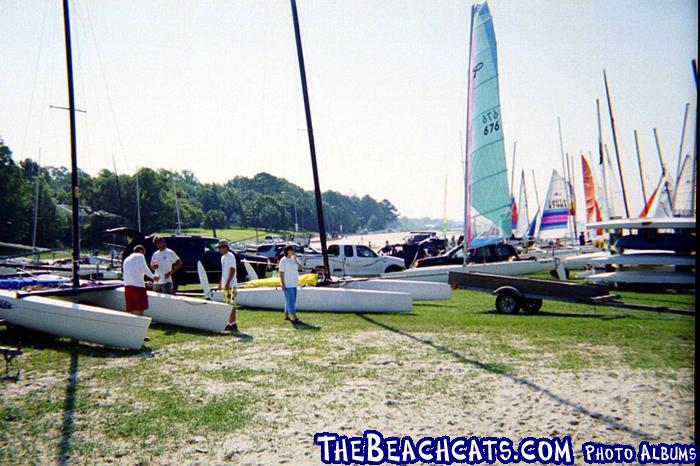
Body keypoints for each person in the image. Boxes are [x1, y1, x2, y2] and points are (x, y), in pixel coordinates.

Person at [123, 245, 157, 316]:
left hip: (127, 286)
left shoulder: (126, 259)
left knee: (131, 307)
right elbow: (145, 269)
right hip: (138, 286)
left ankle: (131, 323)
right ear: (141, 251)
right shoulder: (140, 256)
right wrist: (154, 277)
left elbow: (131, 274)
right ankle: (139, 322)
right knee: (140, 307)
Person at [217, 239, 238, 332]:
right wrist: (221, 283)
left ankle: (233, 324)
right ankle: (230, 323)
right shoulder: (223, 257)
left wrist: (228, 283)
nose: (219, 249)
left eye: (220, 247)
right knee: (227, 304)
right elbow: (224, 272)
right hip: (226, 285)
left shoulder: (230, 256)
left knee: (231, 304)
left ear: (225, 247)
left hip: (231, 285)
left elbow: (232, 270)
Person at [279, 244, 300, 323]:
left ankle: (286, 315)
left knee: (292, 300)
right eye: (292, 250)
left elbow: (300, 267)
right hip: (287, 284)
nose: (293, 251)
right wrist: (283, 283)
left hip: (294, 283)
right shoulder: (283, 260)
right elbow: (281, 273)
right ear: (287, 251)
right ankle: (295, 317)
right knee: (290, 300)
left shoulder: (293, 259)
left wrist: (296, 260)